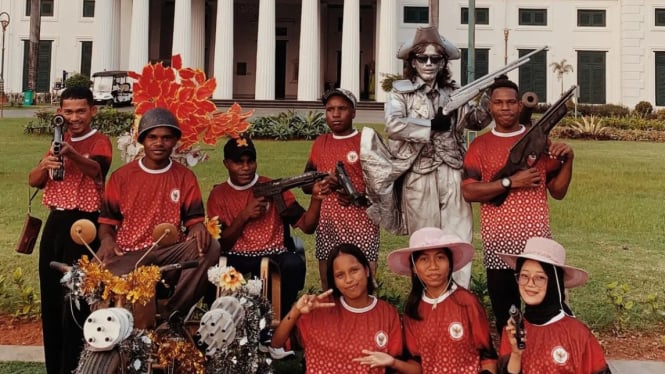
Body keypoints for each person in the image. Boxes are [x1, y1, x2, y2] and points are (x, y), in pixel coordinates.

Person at [361, 25, 491, 288]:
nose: (429, 64)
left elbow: (476, 122)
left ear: (443, 62)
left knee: (459, 236)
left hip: (453, 170)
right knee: (425, 240)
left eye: (436, 58)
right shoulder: (400, 92)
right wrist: (432, 125)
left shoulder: (454, 93)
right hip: (418, 173)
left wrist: (490, 97)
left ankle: (459, 298)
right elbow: (393, 126)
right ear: (413, 61)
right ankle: (425, 297)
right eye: (423, 58)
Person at [461, 76, 574, 335]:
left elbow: (557, 191)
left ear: (519, 105)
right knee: (506, 319)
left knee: (547, 316)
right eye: (498, 102)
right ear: (489, 106)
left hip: (537, 246)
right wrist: (510, 182)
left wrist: (569, 160)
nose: (505, 108)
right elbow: (469, 191)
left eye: (511, 102)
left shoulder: (539, 142)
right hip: (498, 248)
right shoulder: (479, 145)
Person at [97, 107, 220, 325]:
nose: (159, 143)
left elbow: (193, 220)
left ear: (175, 142)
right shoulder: (121, 177)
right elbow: (107, 223)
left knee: (211, 246)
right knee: (102, 277)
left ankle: (172, 313)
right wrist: (107, 240)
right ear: (141, 140)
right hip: (130, 252)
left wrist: (197, 228)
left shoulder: (184, 176)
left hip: (169, 252)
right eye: (152, 137)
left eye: (166, 138)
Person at [28, 86, 112, 374]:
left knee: (77, 303)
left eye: (81, 110)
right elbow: (34, 180)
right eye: (68, 111)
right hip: (56, 224)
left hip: (85, 226)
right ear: (59, 113)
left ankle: (77, 366)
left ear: (93, 111)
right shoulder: (57, 140)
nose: (74, 117)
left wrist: (72, 153)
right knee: (52, 299)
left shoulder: (100, 141)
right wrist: (45, 163)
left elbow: (96, 171)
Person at [206, 135, 329, 317]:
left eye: (251, 161)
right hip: (235, 256)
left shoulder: (273, 187)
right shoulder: (218, 195)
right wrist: (244, 216)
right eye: (238, 162)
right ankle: (220, 321)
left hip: (274, 254)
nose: (246, 168)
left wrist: (316, 199)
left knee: (293, 264)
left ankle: (280, 318)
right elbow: (222, 243)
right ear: (226, 164)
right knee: (209, 269)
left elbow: (307, 226)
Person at [357, 227, 498, 373]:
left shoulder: (467, 302)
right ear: (414, 268)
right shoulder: (413, 309)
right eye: (424, 259)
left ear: (450, 264)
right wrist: (393, 362)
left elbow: (487, 357)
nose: (433, 266)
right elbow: (416, 365)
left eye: (440, 257)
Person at [271, 243, 403, 373]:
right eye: (340, 275)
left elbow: (395, 363)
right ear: (333, 280)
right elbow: (277, 343)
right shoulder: (319, 308)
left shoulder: (387, 313)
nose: (349, 280)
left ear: (367, 270)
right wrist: (296, 311)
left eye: (354, 270)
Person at [497, 237, 610, 373]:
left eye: (540, 278)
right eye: (524, 276)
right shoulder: (513, 331)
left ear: (553, 284)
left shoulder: (577, 334)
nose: (530, 284)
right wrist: (516, 354)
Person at [303, 88, 379, 289]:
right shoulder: (321, 143)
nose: (335, 114)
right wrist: (321, 185)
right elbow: (305, 183)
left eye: (342, 108)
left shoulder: (365, 141)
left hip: (362, 224)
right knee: (329, 284)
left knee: (363, 283)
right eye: (330, 109)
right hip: (328, 224)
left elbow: (383, 187)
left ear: (353, 111)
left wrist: (356, 194)